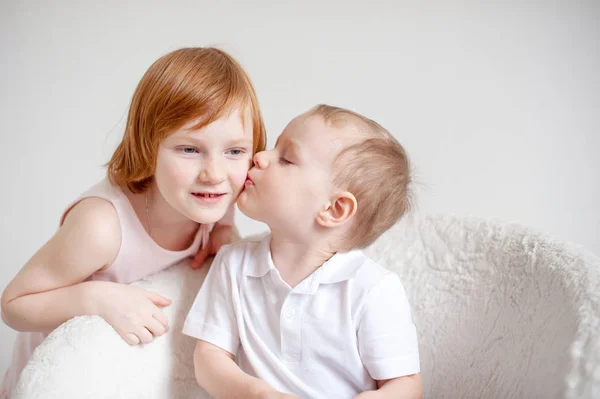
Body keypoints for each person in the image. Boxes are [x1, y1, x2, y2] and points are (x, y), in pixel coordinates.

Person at [0, 46, 266, 398]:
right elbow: (14, 305)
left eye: (234, 151)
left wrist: (225, 233)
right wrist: (97, 297)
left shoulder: (217, 202)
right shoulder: (102, 226)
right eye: (189, 149)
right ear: (148, 145)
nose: (215, 174)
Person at [184, 104, 421, 398]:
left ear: (334, 209)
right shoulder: (234, 263)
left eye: (286, 158)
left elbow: (406, 386)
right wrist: (258, 394)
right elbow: (208, 360)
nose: (259, 156)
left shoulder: (371, 288)